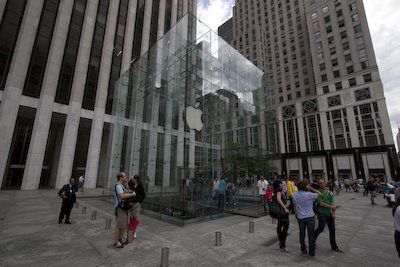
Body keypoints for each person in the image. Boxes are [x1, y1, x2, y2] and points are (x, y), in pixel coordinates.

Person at [292, 178, 321, 257]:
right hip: (310, 217)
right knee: (311, 235)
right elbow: (319, 193)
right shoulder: (309, 194)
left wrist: (296, 214)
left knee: (302, 234)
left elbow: (295, 206)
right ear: (306, 187)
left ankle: (303, 250)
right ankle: (311, 252)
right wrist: (311, 188)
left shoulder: (294, 195)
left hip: (301, 217)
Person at [314, 179, 343, 253]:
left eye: (323, 182)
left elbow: (332, 203)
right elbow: (321, 203)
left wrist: (333, 213)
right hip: (321, 213)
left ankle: (334, 246)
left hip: (329, 213)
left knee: (332, 230)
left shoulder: (330, 192)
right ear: (318, 185)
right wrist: (331, 207)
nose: (322, 184)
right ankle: (313, 239)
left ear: (325, 183)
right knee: (321, 228)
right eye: (320, 183)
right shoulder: (317, 193)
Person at [114, 172, 136, 248]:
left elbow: (126, 191)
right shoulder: (118, 186)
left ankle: (120, 239)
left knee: (124, 225)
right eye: (124, 176)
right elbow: (122, 196)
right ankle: (116, 241)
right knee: (119, 225)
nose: (126, 177)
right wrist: (132, 194)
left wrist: (126, 184)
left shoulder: (122, 186)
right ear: (121, 177)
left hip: (125, 208)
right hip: (120, 208)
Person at [272, 180, 290, 252]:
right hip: (282, 212)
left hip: (280, 211)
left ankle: (281, 243)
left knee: (280, 226)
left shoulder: (276, 190)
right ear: (279, 185)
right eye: (281, 183)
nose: (282, 184)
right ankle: (283, 245)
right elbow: (279, 199)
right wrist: (285, 208)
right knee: (285, 228)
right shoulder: (279, 191)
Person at [128, 175, 145, 240]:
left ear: (137, 179)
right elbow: (129, 184)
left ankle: (134, 231)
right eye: (133, 179)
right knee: (131, 217)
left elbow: (143, 195)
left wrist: (139, 201)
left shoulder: (140, 186)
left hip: (136, 203)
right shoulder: (132, 185)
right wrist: (131, 179)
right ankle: (130, 231)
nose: (133, 180)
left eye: (134, 179)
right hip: (131, 203)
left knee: (135, 216)